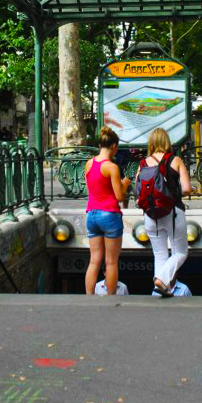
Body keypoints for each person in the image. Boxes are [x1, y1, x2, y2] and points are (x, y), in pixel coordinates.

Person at [136, 127, 192, 298]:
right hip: (172, 212)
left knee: (159, 254)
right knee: (180, 252)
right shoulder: (175, 161)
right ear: (167, 142)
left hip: (150, 213)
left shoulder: (143, 163)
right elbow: (187, 189)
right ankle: (161, 280)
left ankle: (159, 291)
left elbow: (138, 189)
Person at [84, 126, 131, 295]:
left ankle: (89, 297)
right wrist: (125, 183)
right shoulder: (111, 167)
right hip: (109, 214)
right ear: (113, 147)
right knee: (111, 262)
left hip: (92, 214)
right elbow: (119, 196)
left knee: (94, 261)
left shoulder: (89, 164)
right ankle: (110, 299)